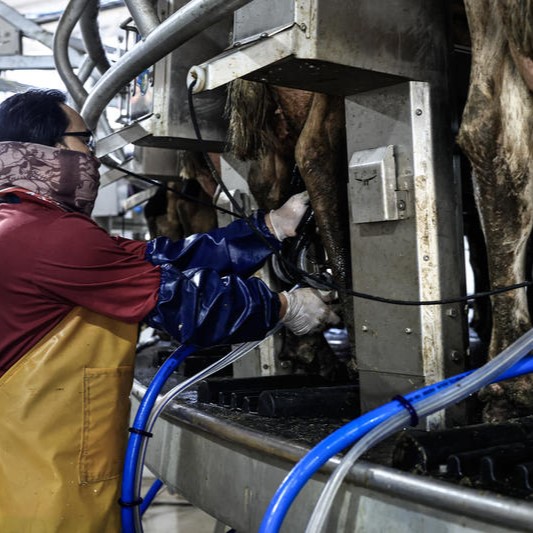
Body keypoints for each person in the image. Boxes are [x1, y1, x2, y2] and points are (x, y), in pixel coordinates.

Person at [0, 89, 339, 532]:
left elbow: (161, 259)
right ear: (47, 149)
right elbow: (185, 304)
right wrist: (283, 306)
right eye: (85, 141)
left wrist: (267, 229)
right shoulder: (50, 236)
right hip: (42, 478)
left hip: (33, 454)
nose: (94, 158)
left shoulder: (24, 224)